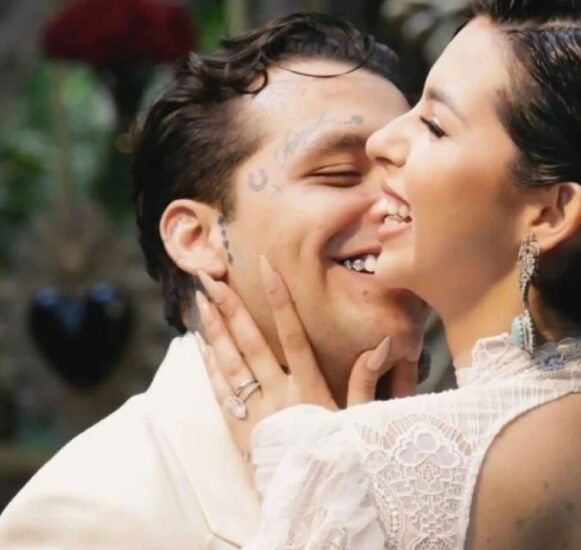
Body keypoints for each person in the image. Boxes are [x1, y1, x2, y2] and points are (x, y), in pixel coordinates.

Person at [195, 0, 581, 548]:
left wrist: (310, 462)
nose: (383, 143)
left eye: (434, 126)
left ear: (550, 214)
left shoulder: (378, 466)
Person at [0, 14, 429, 548]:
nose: (404, 205)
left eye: (413, 174)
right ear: (196, 238)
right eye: (339, 174)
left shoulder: (462, 459)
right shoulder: (89, 515)